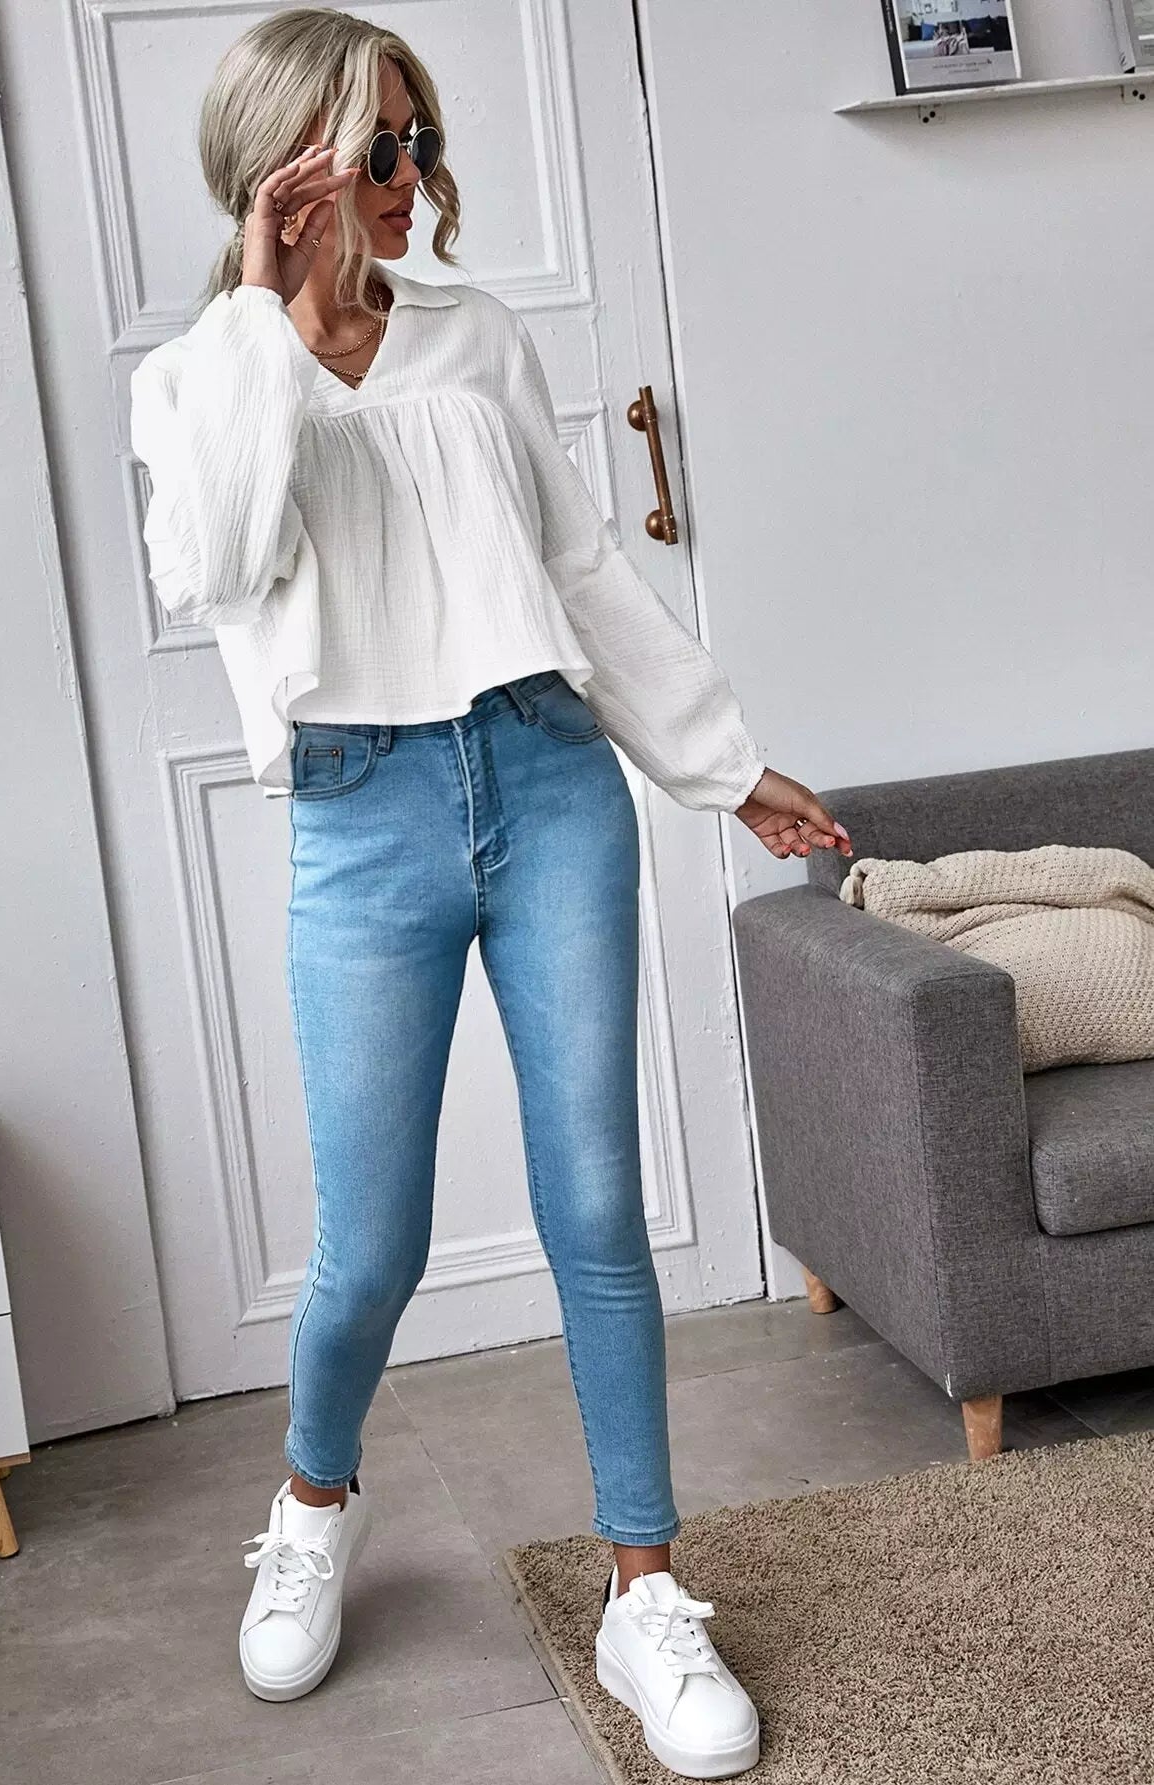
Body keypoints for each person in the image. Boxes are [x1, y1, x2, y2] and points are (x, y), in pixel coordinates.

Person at [128, 10, 851, 1778]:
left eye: (420, 142)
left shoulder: (478, 337)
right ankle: (314, 1503)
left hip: (547, 782)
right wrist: (265, 313)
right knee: (368, 1244)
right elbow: (219, 557)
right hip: (360, 817)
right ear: (284, 173)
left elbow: (583, 572)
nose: (412, 179)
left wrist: (722, 762)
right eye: (376, 150)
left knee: (596, 1199)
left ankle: (643, 1590)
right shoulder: (196, 379)